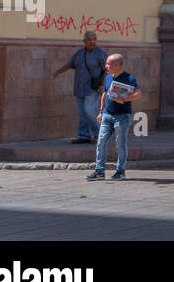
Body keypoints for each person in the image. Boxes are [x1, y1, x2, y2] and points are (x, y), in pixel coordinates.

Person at [86, 53, 139, 181]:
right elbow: (104, 94)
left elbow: (137, 94)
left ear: (116, 65)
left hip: (122, 116)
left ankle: (120, 172)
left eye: (108, 64)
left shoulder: (129, 78)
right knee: (101, 142)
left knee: (120, 145)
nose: (106, 66)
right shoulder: (108, 78)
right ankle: (99, 171)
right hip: (107, 114)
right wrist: (101, 111)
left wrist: (124, 99)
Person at [52, 31, 108, 144]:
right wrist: (57, 72)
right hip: (79, 87)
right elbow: (70, 64)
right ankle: (84, 136)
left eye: (94, 39)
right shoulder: (79, 53)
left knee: (89, 110)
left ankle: (101, 133)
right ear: (84, 41)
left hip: (93, 88)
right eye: (89, 40)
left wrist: (102, 84)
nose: (92, 42)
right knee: (83, 114)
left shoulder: (101, 53)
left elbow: (107, 69)